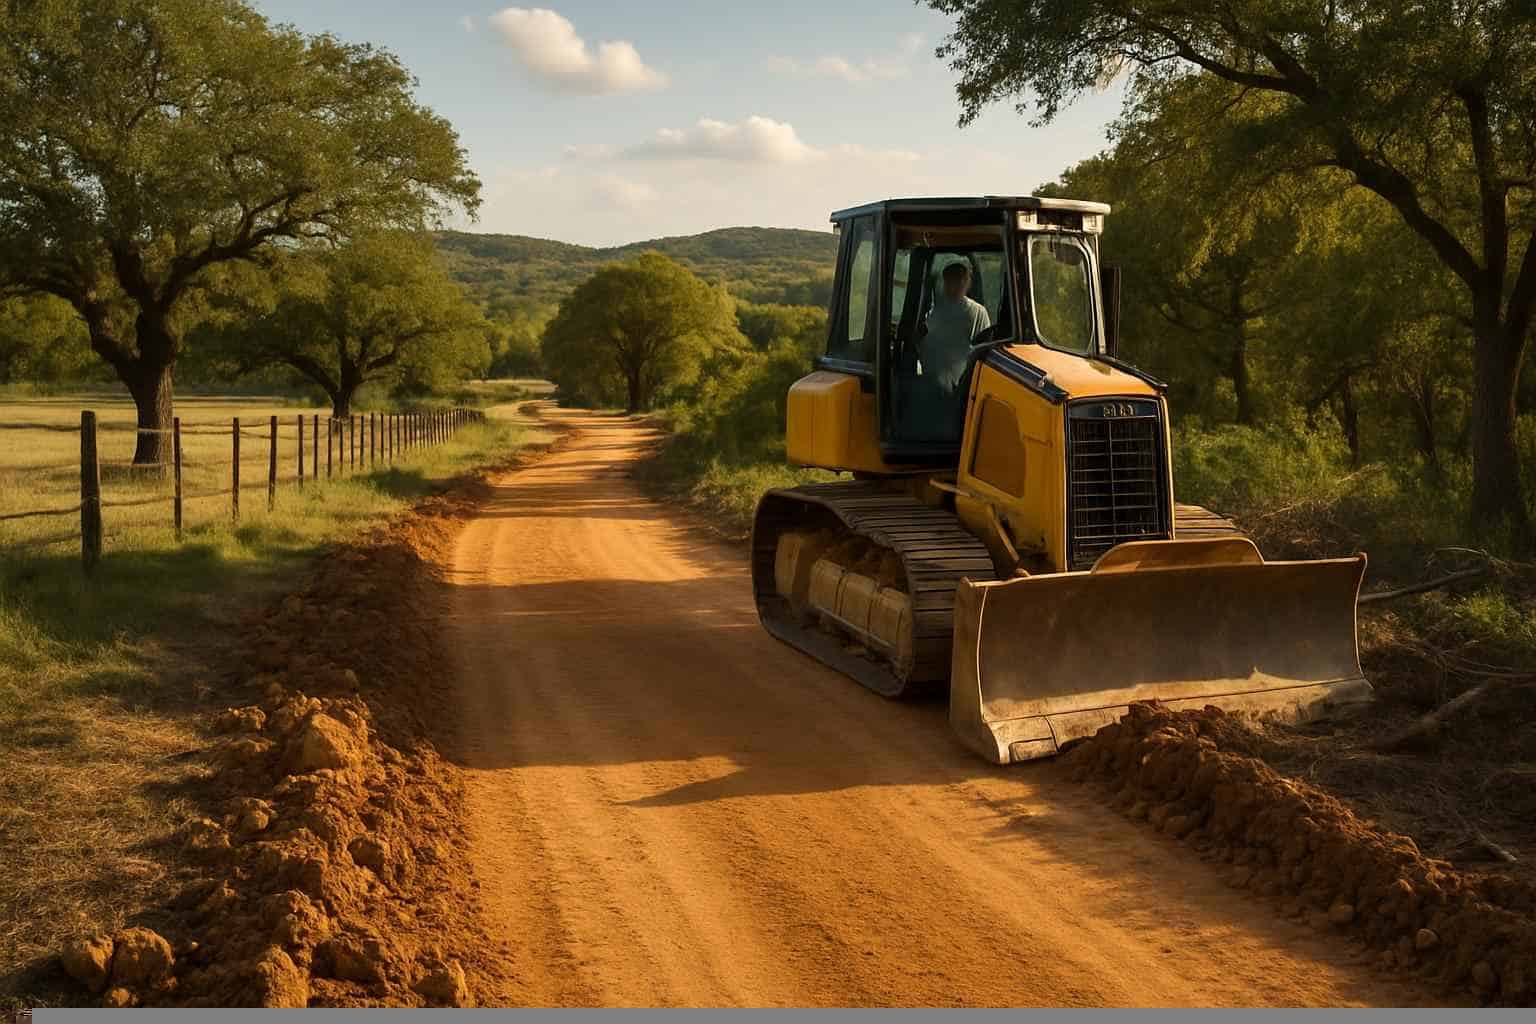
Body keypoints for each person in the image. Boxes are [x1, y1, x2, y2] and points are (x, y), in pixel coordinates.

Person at [922, 261, 991, 396]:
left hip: (961, 388)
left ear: (967, 283)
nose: (953, 286)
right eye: (949, 281)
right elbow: (927, 342)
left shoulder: (977, 312)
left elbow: (984, 349)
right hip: (932, 383)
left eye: (959, 281)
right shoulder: (936, 310)